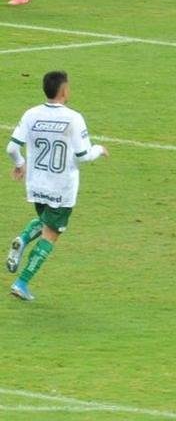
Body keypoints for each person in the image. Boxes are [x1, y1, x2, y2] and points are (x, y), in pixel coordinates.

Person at [7, 70, 109, 301]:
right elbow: (83, 156)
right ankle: (21, 283)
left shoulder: (31, 114)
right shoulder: (73, 118)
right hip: (61, 188)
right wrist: (99, 149)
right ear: (64, 90)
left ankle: (22, 240)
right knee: (51, 234)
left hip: (36, 186)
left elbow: (12, 148)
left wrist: (20, 164)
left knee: (46, 221)